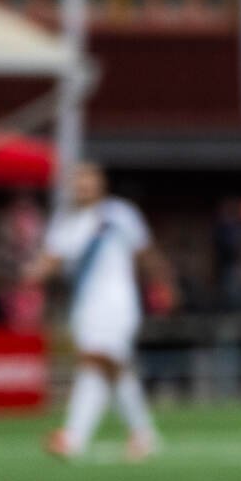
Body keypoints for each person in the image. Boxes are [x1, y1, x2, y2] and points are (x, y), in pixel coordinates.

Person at [26, 162, 162, 461]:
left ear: (101, 182)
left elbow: (146, 252)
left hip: (119, 303)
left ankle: (76, 437)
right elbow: (50, 260)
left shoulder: (120, 214)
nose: (83, 185)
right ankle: (138, 434)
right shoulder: (66, 221)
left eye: (89, 179)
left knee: (97, 359)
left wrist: (163, 284)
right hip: (85, 307)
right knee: (102, 366)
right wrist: (28, 273)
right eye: (78, 180)